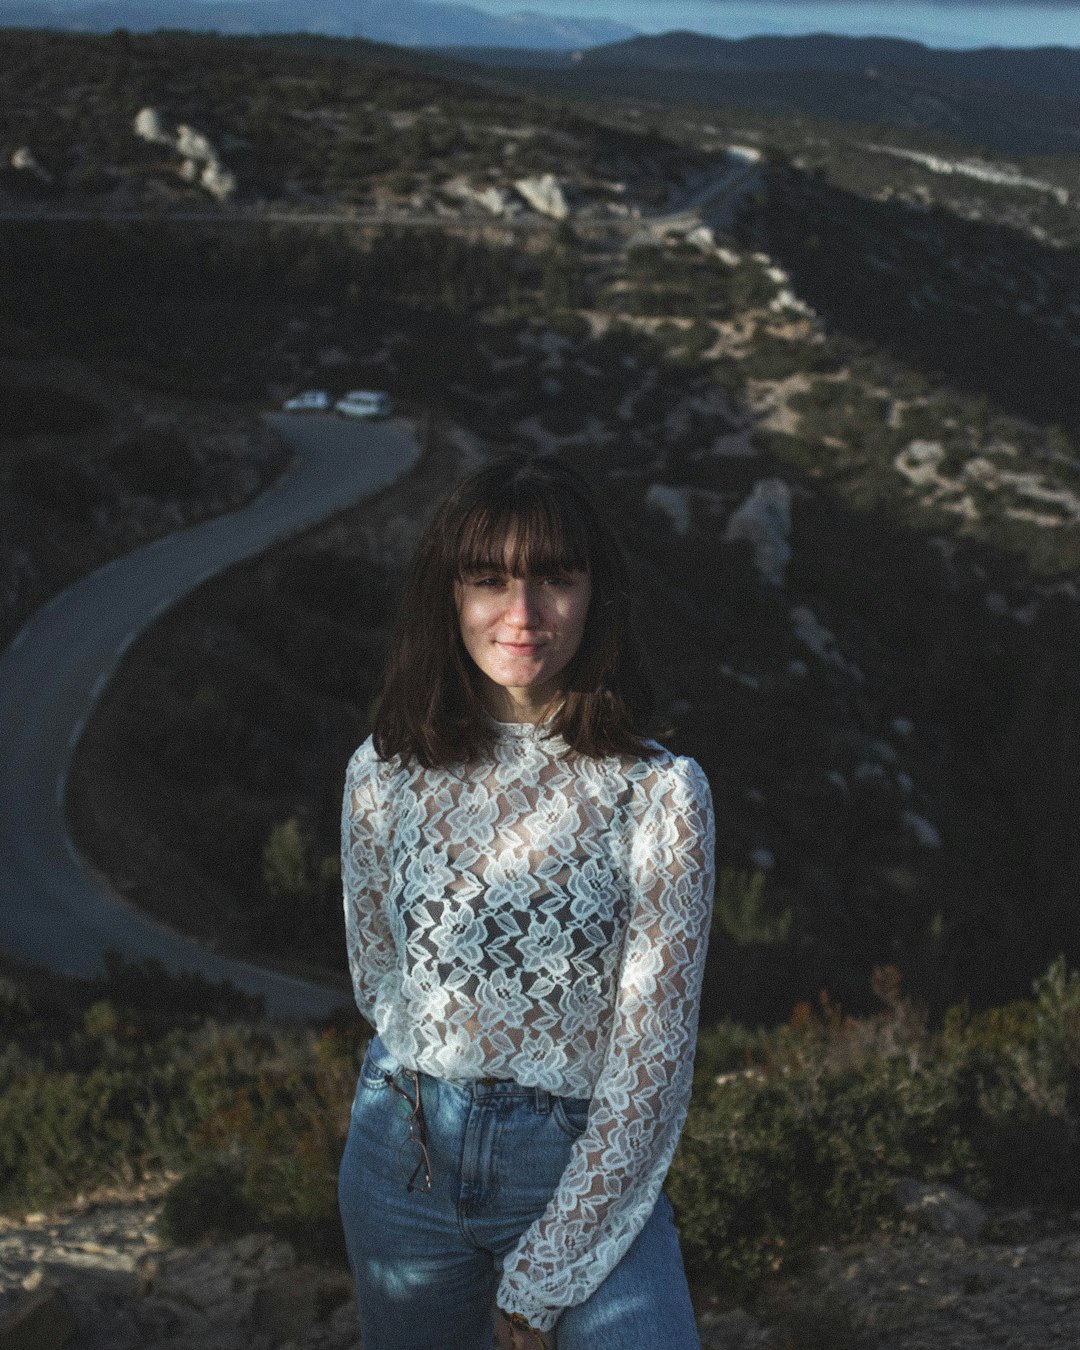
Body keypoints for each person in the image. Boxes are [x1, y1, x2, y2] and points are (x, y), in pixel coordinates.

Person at [338, 454, 715, 1349]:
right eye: (488, 579)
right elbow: (378, 976)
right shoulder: (382, 772)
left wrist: (545, 1276)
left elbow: (652, 1060)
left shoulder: (659, 792)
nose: (523, 613)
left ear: (594, 595)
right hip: (404, 1156)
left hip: (577, 1162)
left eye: (555, 578)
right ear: (449, 596)